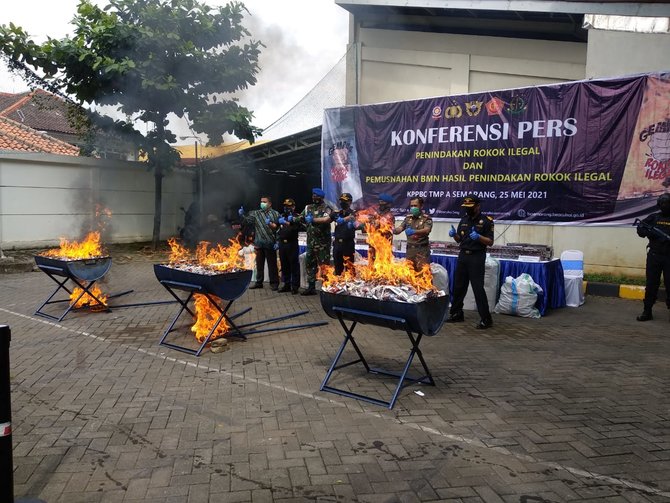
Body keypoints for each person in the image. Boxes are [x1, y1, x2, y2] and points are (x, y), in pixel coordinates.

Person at [446, 194, 495, 330]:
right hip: (463, 255)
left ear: (478, 206)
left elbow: (490, 242)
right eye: (466, 207)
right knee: (458, 286)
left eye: (471, 207)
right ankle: (456, 313)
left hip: (477, 257)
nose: (468, 209)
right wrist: (454, 235)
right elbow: (459, 240)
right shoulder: (464, 220)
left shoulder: (486, 221)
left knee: (477, 288)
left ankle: (486, 319)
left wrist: (479, 237)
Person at [635, 192, 670, 321]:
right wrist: (651, 233)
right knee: (651, 285)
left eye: (667, 203)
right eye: (662, 203)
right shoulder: (653, 218)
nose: (665, 206)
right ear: (659, 205)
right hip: (654, 256)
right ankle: (647, 311)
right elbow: (640, 229)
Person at [239, 196, 281, 290]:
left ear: (270, 203)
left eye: (264, 202)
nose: (262, 203)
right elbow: (248, 220)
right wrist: (242, 214)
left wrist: (277, 241)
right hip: (259, 243)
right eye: (261, 201)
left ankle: (274, 283)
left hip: (270, 242)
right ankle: (259, 282)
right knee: (259, 264)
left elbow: (279, 229)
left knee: (272, 265)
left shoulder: (275, 214)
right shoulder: (257, 213)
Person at [299, 187, 332, 295]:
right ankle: (311, 287)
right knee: (310, 265)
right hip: (311, 243)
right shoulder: (308, 207)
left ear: (321, 197)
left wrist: (313, 220)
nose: (314, 197)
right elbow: (300, 217)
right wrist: (290, 219)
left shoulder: (327, 208)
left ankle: (326, 287)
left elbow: (326, 219)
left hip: (322, 244)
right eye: (313, 195)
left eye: (316, 196)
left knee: (324, 266)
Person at [393, 197, 433, 271]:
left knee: (423, 276)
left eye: (415, 206)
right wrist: (392, 230)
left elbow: (427, 230)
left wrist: (414, 231)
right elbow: (400, 228)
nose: (413, 208)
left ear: (421, 206)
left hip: (422, 251)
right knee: (410, 276)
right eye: (411, 206)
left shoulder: (426, 218)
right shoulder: (408, 218)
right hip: (410, 251)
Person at [276, 198, 301, 294]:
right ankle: (286, 284)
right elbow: (277, 230)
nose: (287, 208)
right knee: (284, 265)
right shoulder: (281, 216)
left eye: (289, 206)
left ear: (293, 207)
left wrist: (288, 222)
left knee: (294, 265)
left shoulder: (296, 217)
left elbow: (298, 227)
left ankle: (295, 286)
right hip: (282, 243)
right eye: (285, 206)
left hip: (292, 243)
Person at [330, 192, 357, 275]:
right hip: (337, 243)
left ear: (350, 202)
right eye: (341, 200)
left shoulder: (354, 212)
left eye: (345, 201)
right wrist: (313, 219)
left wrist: (345, 219)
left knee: (349, 267)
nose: (342, 202)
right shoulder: (337, 213)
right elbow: (327, 219)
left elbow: (355, 218)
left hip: (348, 243)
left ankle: (350, 286)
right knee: (338, 267)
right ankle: (338, 285)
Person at [367, 192, 395, 264]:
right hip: (373, 244)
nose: (380, 204)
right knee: (371, 267)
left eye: (383, 202)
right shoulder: (375, 214)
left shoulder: (390, 216)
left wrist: (378, 224)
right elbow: (369, 226)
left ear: (388, 204)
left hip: (384, 246)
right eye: (379, 202)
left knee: (383, 267)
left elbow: (389, 231)